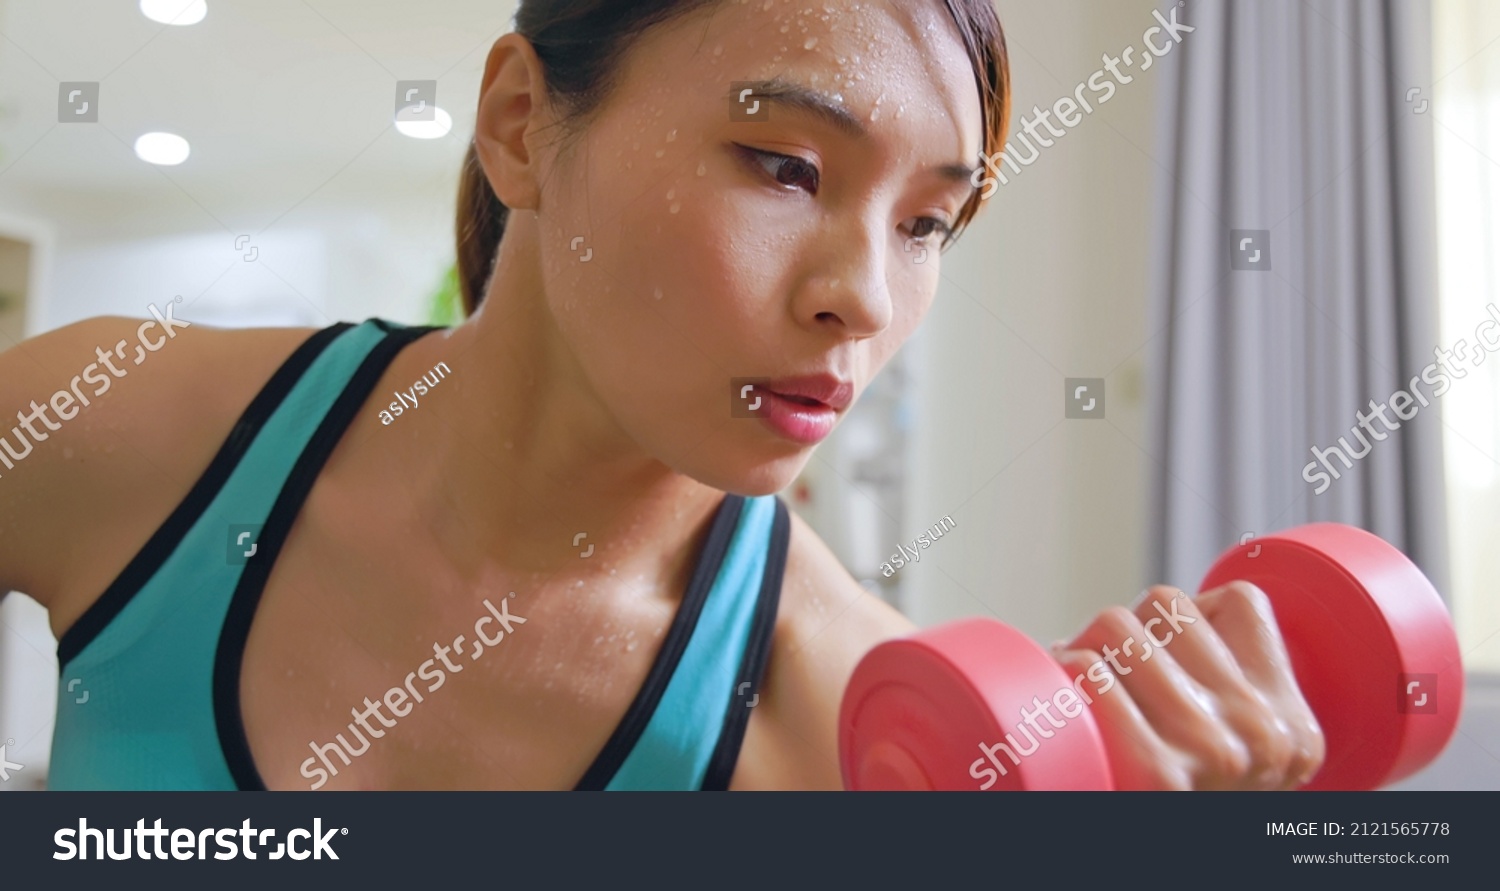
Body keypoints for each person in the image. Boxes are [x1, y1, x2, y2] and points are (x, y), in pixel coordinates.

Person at [0, 0, 1323, 791]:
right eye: (785, 165)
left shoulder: (835, 715)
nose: (865, 298)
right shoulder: (116, 426)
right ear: (520, 124)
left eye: (928, 223)